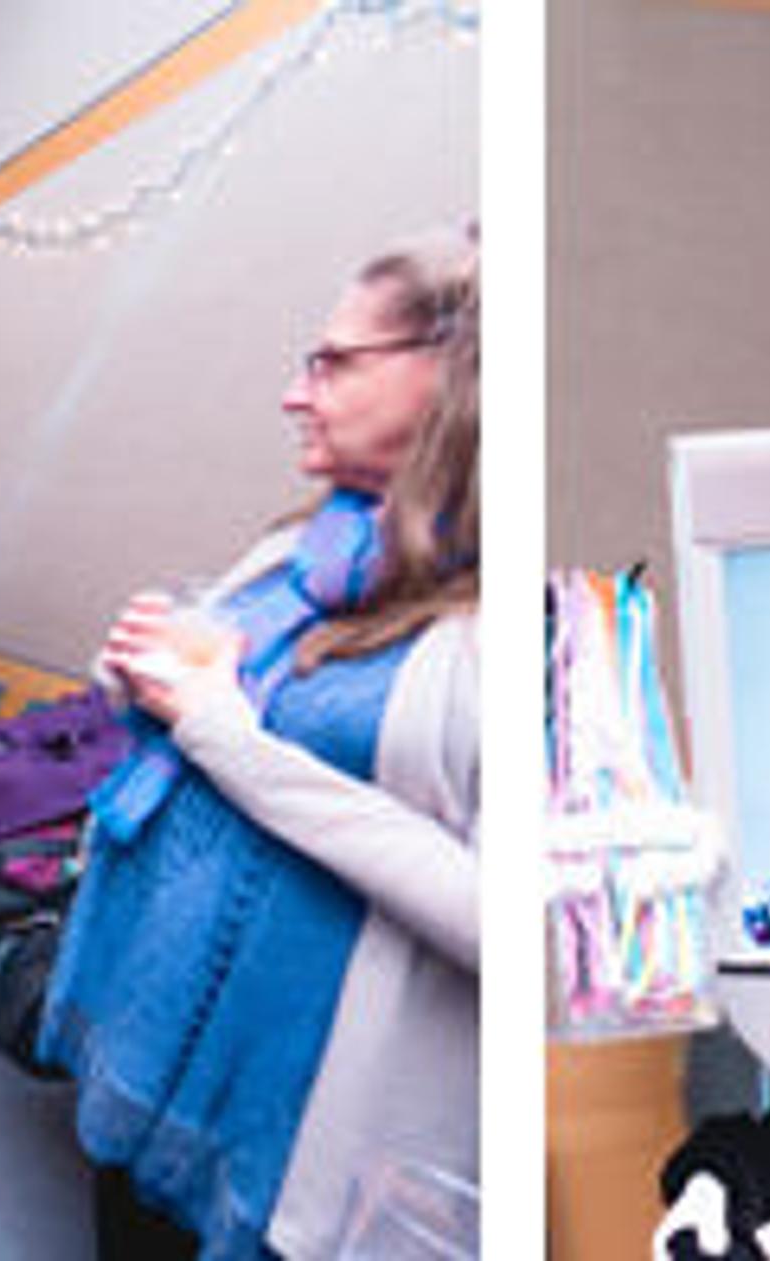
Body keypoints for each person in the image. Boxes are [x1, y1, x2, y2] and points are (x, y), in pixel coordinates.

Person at [48, 227, 482, 1258]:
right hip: (154, 1046)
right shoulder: (304, 545)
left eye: (331, 361)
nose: (297, 391)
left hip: (297, 1124)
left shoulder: (495, 625)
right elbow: (214, 715)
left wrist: (227, 738)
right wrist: (141, 674)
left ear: (456, 372)